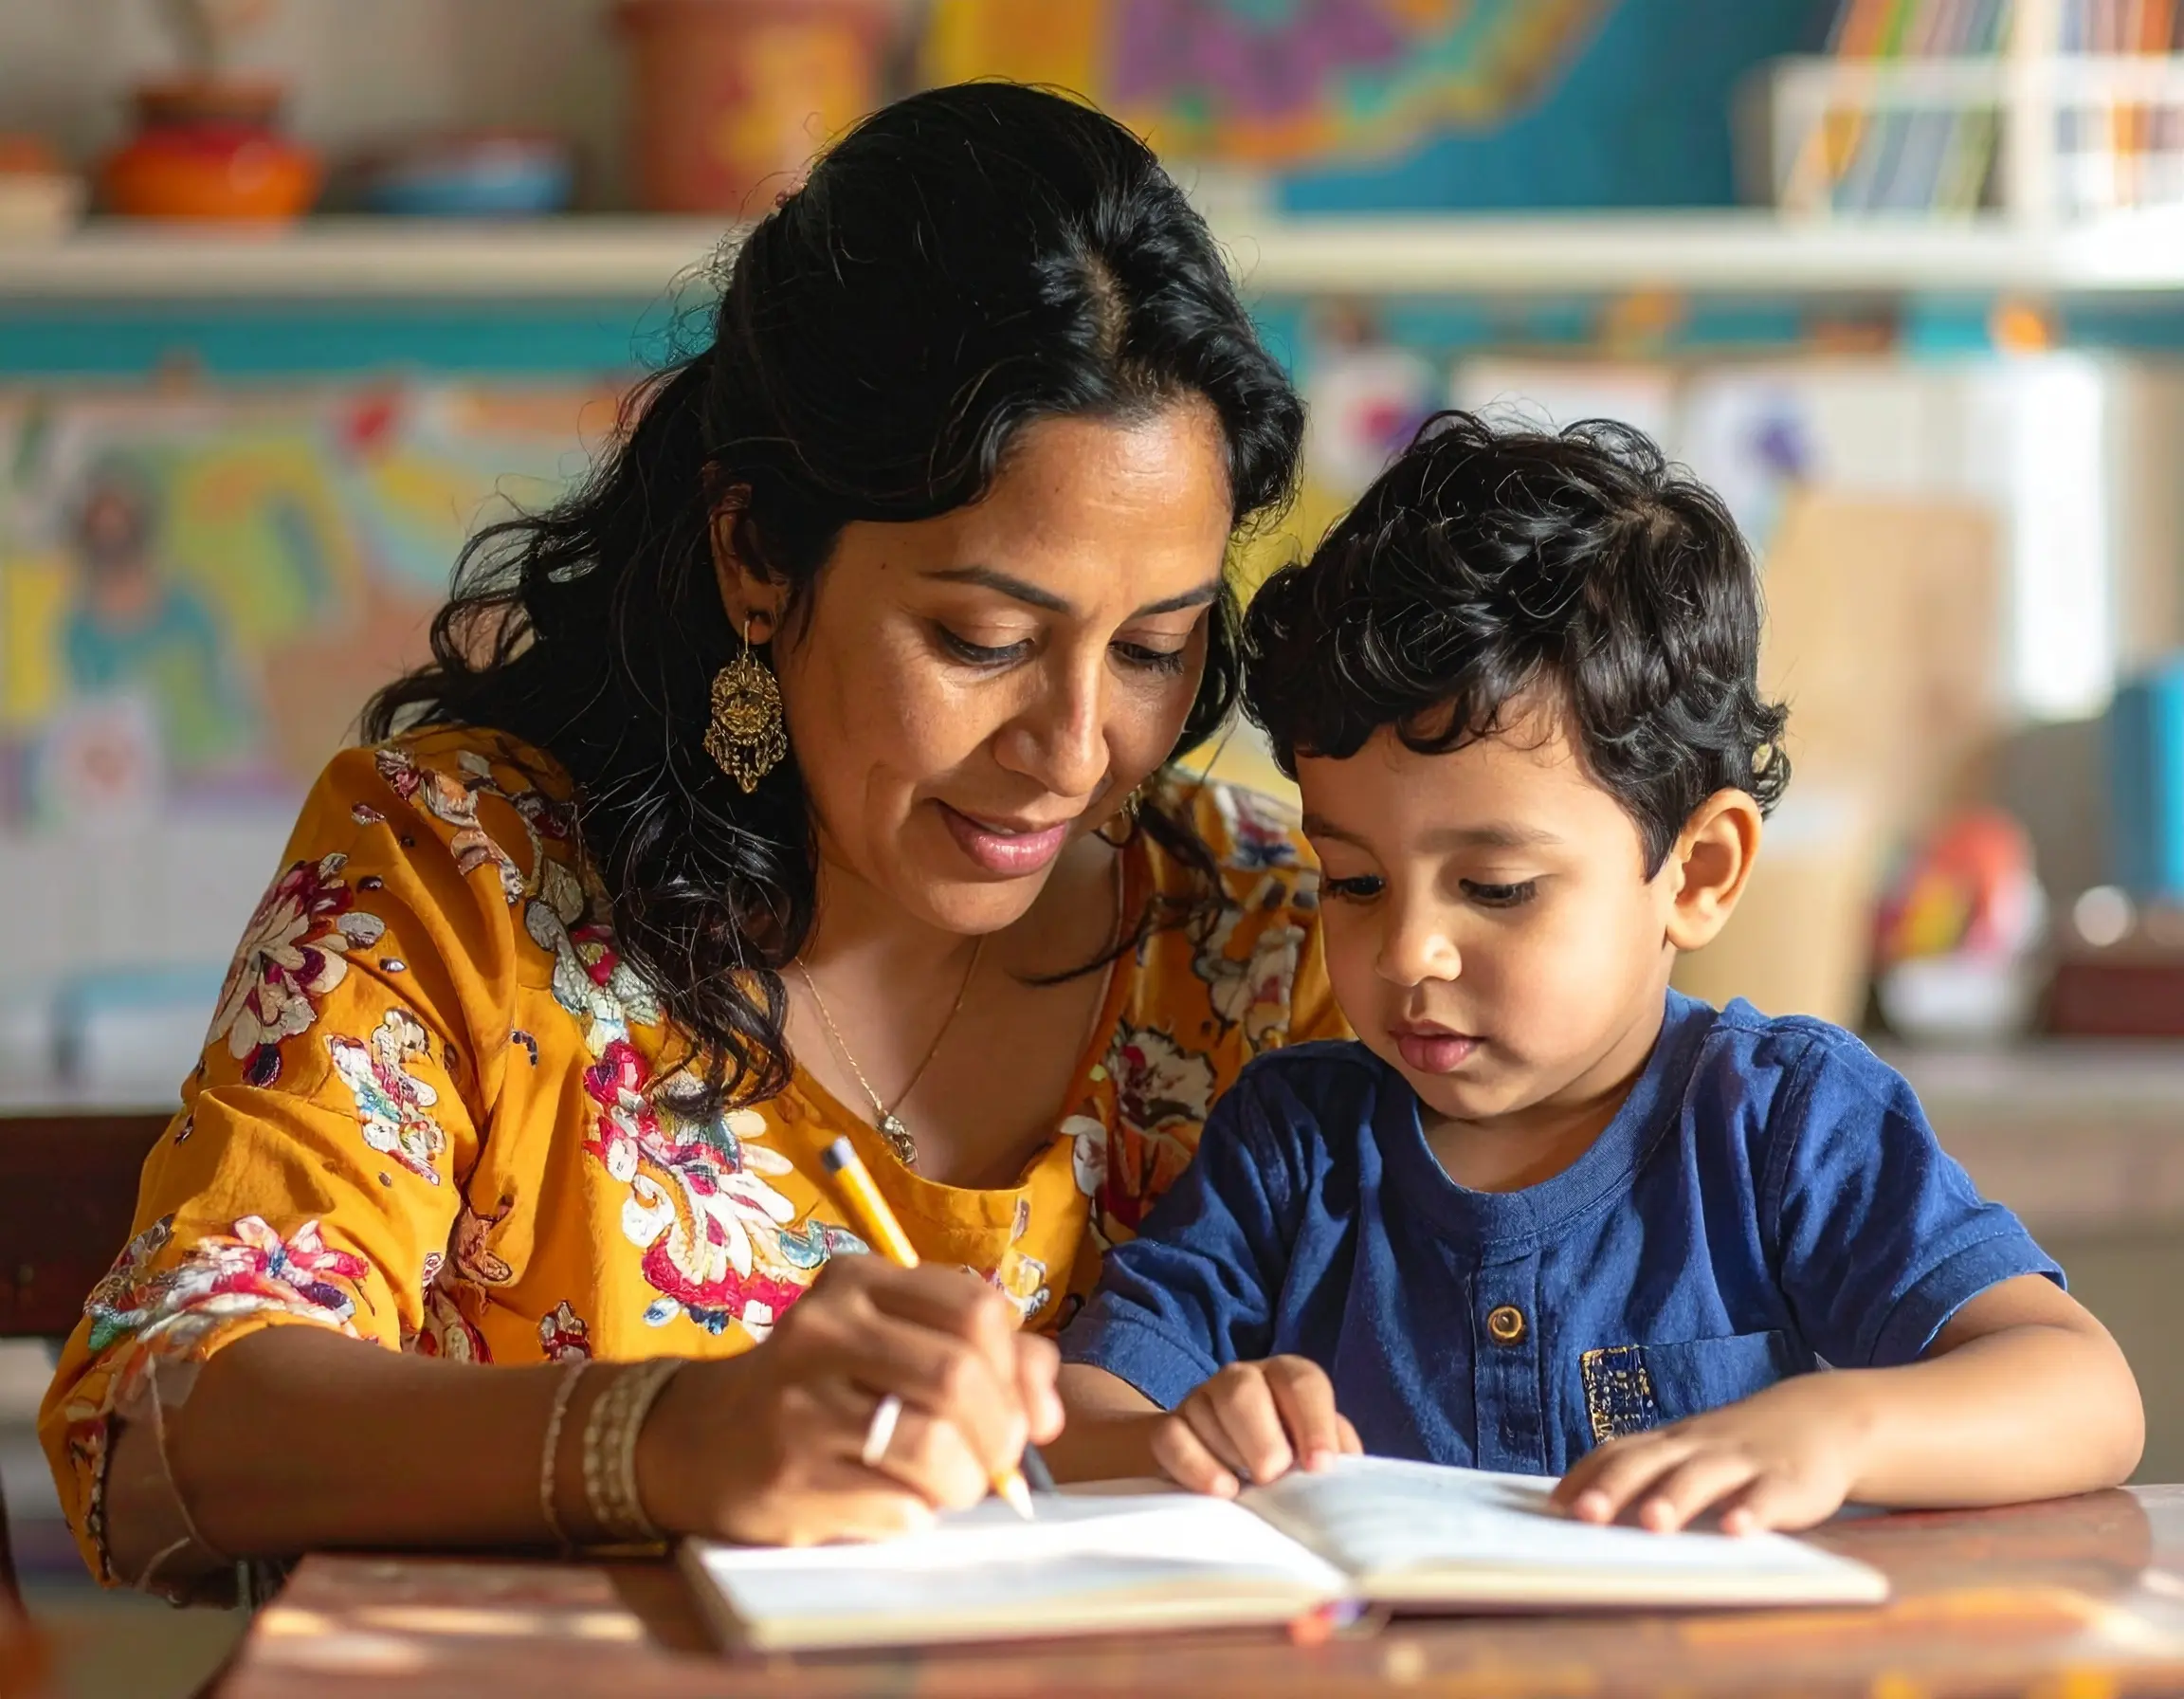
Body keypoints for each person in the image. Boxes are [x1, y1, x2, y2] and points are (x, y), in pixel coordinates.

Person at [40, 82, 1341, 1599]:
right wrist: (658, 1437)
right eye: (984, 639)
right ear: (755, 555)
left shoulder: (1276, 941)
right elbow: (147, 1432)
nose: (1070, 756)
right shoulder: (466, 876)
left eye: (1152, 650)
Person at [1053, 412, 2144, 1533]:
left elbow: (2085, 1392)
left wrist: (1844, 1425)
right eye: (1354, 882)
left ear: (1697, 872)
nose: (1407, 952)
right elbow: (1084, 1410)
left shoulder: (1781, 1123)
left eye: (1498, 888)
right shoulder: (1293, 1148)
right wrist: (1177, 1438)